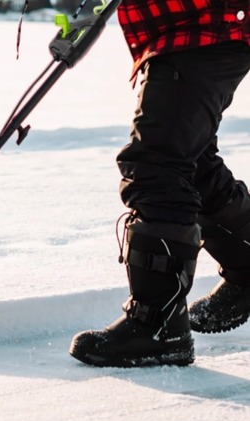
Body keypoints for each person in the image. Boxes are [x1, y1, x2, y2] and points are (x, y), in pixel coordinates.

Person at [69, 0, 250, 367]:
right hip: (191, 27)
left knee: (158, 165)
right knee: (191, 162)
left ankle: (158, 326)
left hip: (209, 22)